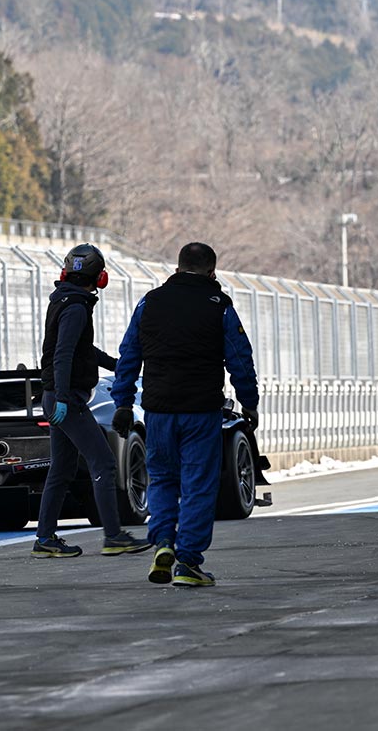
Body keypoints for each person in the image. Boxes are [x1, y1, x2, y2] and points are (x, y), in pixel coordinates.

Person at [111, 242, 259, 587]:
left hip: (159, 411)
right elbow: (240, 359)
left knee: (161, 479)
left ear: (176, 270)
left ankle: (163, 542)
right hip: (201, 411)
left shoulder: (149, 302)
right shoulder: (219, 306)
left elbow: (129, 354)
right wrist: (249, 402)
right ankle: (188, 561)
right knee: (198, 486)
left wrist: (122, 401)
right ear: (212, 272)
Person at [33, 244, 151, 558]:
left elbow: (83, 351)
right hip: (65, 399)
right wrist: (61, 397)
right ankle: (113, 536)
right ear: (100, 278)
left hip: (57, 396)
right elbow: (63, 355)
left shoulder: (65, 301)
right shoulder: (76, 307)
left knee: (61, 469)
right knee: (104, 463)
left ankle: (44, 539)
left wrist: (120, 365)